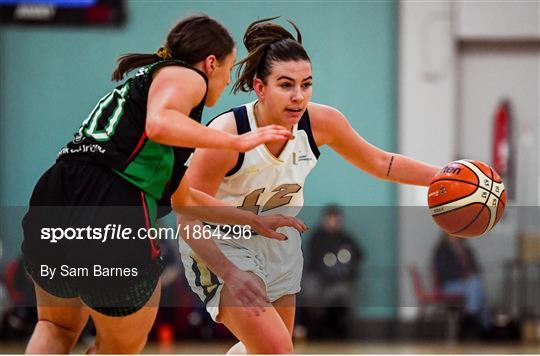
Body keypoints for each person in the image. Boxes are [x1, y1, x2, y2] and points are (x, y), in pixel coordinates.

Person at [21, 14, 306, 354]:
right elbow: (160, 123)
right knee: (118, 348)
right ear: (210, 63)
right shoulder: (186, 76)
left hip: (55, 194)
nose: (229, 79)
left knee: (56, 326)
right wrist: (237, 142)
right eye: (229, 68)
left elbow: (184, 198)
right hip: (112, 205)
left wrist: (253, 219)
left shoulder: (142, 99)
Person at [180, 17, 441, 354]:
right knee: (277, 350)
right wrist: (229, 272)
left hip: (279, 243)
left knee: (266, 350)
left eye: (306, 84)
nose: (298, 96)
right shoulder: (226, 136)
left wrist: (445, 174)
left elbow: (380, 163)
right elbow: (187, 215)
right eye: (286, 85)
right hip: (222, 242)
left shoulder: (322, 122)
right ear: (260, 88)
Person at [302, 204, 363, 339]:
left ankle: (342, 334)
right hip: (318, 280)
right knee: (310, 293)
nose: (333, 222)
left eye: (336, 218)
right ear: (325, 219)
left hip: (337, 282)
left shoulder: (345, 238)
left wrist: (344, 272)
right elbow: (314, 262)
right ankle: (313, 333)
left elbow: (359, 255)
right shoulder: (317, 237)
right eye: (330, 218)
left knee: (343, 293)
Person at [433, 233, 491, 335]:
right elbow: (443, 272)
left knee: (477, 285)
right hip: (449, 285)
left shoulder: (466, 250)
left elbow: (477, 268)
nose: (454, 237)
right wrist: (462, 276)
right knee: (478, 287)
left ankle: (473, 318)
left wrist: (469, 275)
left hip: (468, 284)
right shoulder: (442, 251)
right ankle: (483, 325)